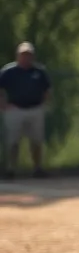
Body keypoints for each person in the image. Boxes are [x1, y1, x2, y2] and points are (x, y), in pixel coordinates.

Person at [0, 42, 52, 180]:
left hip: (35, 109)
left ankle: (37, 168)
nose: (26, 58)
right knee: (13, 141)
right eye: (23, 55)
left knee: (36, 141)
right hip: (15, 109)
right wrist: (3, 104)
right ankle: (11, 169)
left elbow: (47, 90)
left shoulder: (39, 72)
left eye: (29, 55)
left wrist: (45, 105)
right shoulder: (8, 71)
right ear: (18, 56)